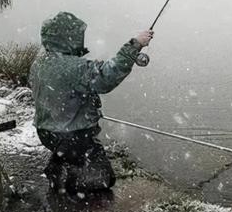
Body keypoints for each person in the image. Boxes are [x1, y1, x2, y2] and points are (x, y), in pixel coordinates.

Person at [29, 11, 153, 196]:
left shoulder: (39, 63)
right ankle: (64, 182)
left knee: (71, 155)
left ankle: (62, 163)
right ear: (67, 38)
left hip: (46, 133)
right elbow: (106, 77)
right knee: (104, 179)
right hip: (72, 137)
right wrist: (135, 44)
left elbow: (63, 84)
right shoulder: (76, 67)